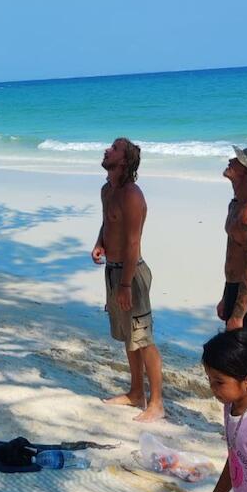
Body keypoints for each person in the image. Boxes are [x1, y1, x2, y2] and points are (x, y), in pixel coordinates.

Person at [91, 137, 165, 421]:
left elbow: (134, 242)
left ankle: (156, 403)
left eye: (114, 148)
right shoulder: (106, 190)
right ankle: (136, 393)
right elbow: (108, 223)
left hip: (131, 275)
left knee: (143, 338)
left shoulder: (132, 194)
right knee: (127, 336)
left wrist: (125, 284)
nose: (107, 149)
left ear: (124, 161)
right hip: (113, 270)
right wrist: (100, 243)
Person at [201, 329, 247, 492]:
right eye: (209, 380)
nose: (212, 387)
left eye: (219, 382)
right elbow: (236, 456)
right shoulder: (230, 406)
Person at [218, 147, 247, 335]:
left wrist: (238, 315)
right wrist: (226, 296)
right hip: (235, 287)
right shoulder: (235, 204)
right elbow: (233, 253)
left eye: (238, 159)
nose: (231, 160)